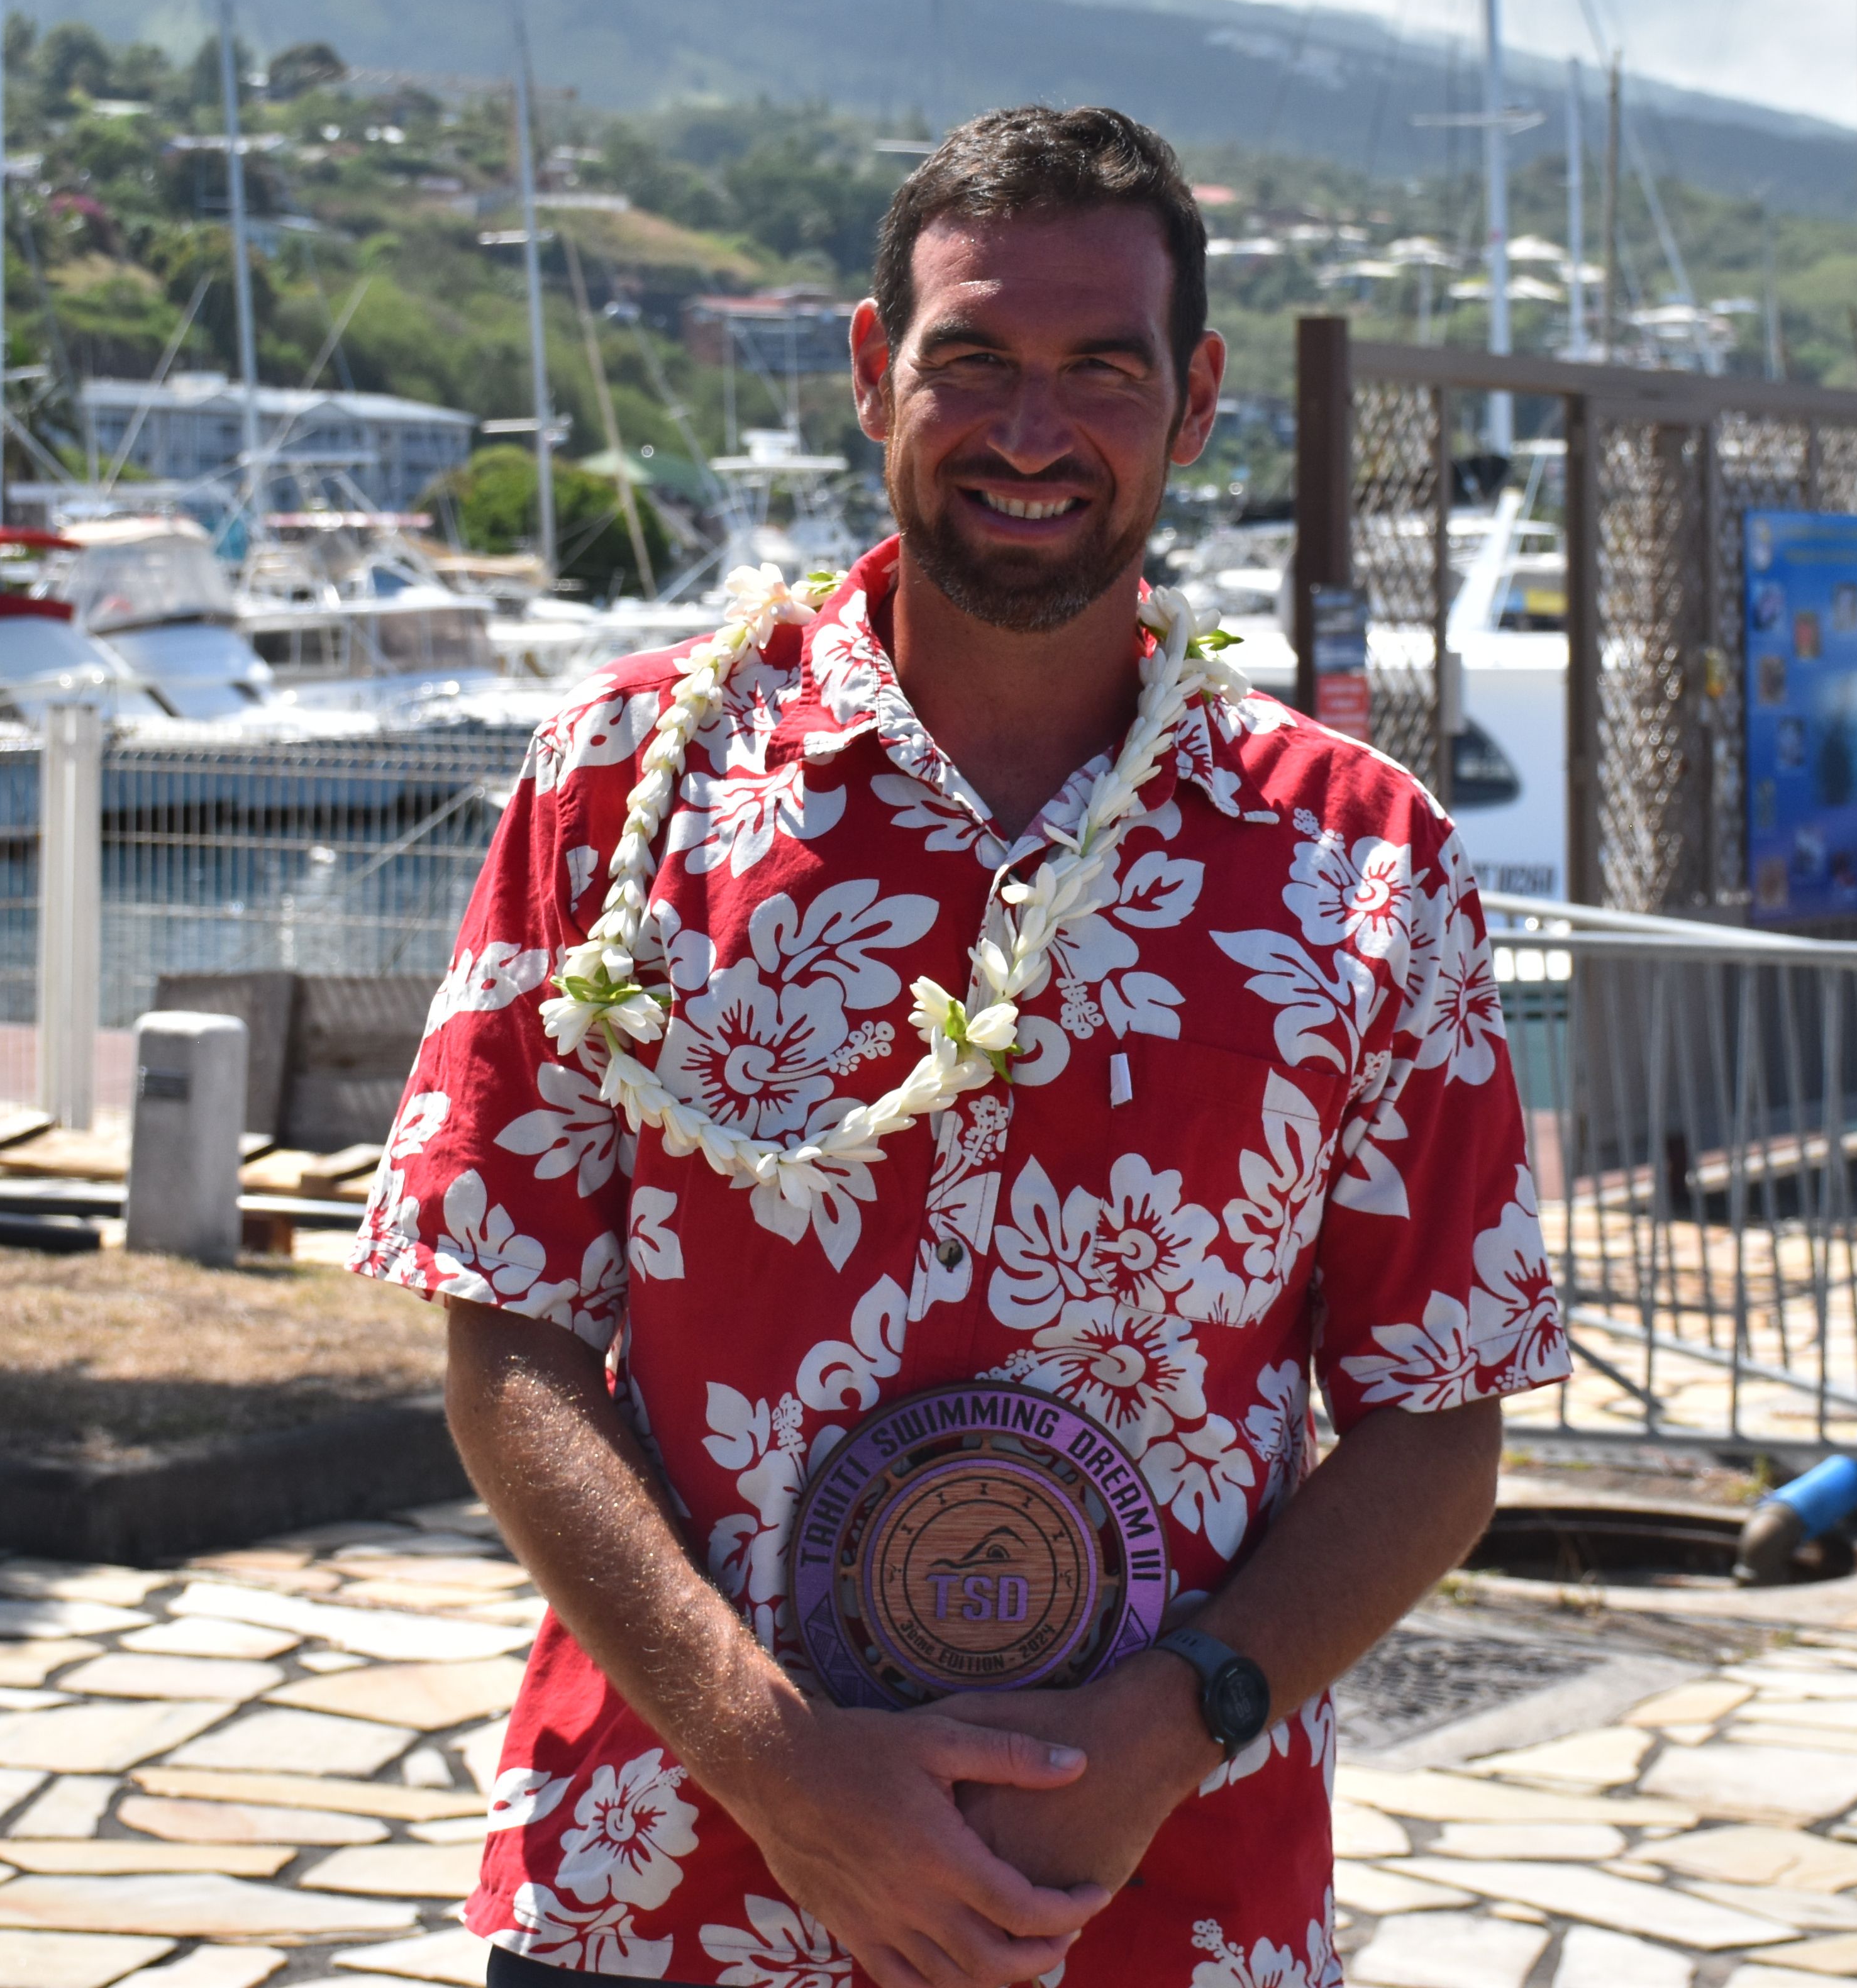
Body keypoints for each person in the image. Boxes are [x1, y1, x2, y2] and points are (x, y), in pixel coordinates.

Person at [351, 104, 1561, 1988]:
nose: (1029, 430)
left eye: (1100, 369)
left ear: (1199, 396)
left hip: (1155, 1903)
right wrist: (771, 1756)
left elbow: (1439, 1417)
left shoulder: (1358, 862)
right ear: (868, 370)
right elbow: (504, 1335)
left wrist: (1164, 1732)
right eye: (973, 360)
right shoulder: (621, 787)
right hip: (661, 1886)